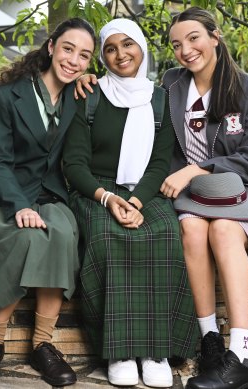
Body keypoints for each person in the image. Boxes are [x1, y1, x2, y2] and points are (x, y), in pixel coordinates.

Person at [159, 7, 248, 389]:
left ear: (214, 36)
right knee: (192, 231)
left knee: (224, 231)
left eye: (193, 38)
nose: (186, 50)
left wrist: (197, 169)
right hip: (196, 196)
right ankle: (210, 342)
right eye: (177, 44)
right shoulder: (172, 84)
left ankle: (243, 355)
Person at [0, 18, 96, 389]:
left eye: (84, 56)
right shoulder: (7, 96)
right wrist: (19, 204)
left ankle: (42, 345)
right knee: (29, 236)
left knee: (63, 232)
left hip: (49, 194)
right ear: (51, 47)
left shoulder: (77, 98)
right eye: (68, 49)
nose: (74, 60)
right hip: (3, 198)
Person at [62, 18, 198, 388]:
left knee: (166, 235)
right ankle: (119, 352)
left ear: (142, 47)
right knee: (108, 241)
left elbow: (159, 162)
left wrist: (135, 200)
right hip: (97, 189)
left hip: (145, 190)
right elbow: (74, 163)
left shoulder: (161, 98)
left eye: (128, 45)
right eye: (110, 48)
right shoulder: (87, 95)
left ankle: (156, 351)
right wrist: (109, 199)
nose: (121, 54)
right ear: (102, 57)